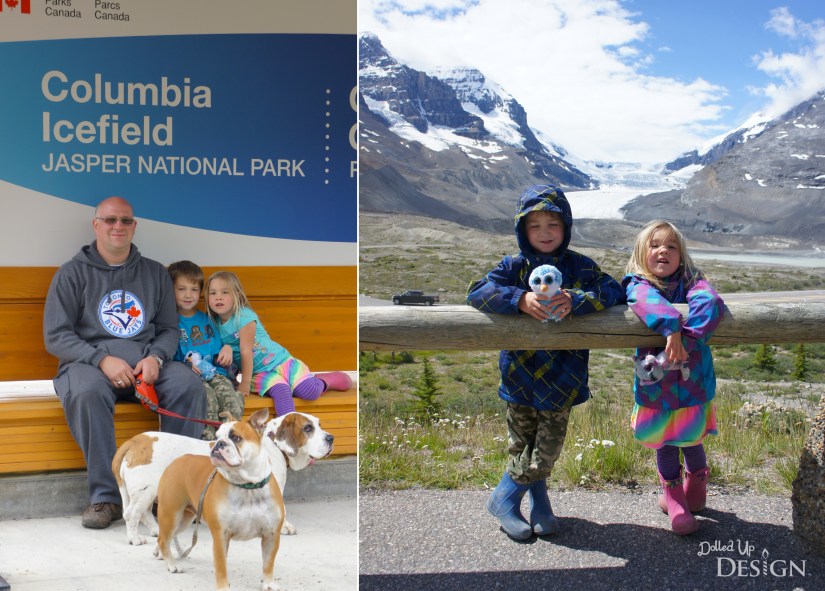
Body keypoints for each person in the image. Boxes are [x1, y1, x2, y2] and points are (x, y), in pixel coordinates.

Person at [466, 185, 624, 540]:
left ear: (565, 226)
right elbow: (476, 290)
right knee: (522, 445)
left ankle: (502, 499)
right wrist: (518, 299)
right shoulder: (514, 266)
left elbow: (614, 289)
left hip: (561, 380)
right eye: (535, 226)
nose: (544, 233)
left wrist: (578, 300)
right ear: (523, 229)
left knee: (545, 450)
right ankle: (540, 506)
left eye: (552, 224)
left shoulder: (580, 266)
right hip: (518, 378)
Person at [43, 197, 206, 529]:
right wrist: (100, 359)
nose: (118, 226)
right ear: (96, 225)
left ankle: (174, 494)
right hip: (88, 367)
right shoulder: (71, 274)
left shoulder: (154, 274)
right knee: (86, 393)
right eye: (110, 220)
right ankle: (106, 498)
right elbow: (57, 336)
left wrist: (156, 357)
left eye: (126, 221)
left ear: (135, 226)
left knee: (188, 385)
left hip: (145, 366)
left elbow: (168, 329)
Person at [623, 220, 724, 535]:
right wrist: (671, 329)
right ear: (642, 253)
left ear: (681, 254)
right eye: (654, 246)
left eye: (671, 246)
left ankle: (697, 486)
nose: (663, 251)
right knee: (666, 442)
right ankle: (674, 497)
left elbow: (710, 303)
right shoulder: (637, 282)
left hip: (692, 383)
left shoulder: (693, 280)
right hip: (658, 387)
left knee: (692, 438)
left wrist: (686, 339)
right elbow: (646, 302)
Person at [205, 270, 352, 417]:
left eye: (225, 292)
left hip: (281, 361)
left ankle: (325, 381)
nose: (218, 297)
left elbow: (245, 350)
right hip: (259, 373)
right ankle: (288, 434)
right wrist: (227, 348)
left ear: (237, 295)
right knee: (281, 391)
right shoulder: (212, 324)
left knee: (308, 391)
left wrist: (244, 382)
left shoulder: (244, 316)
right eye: (213, 293)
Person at [168, 260, 245, 440]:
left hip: (215, 373)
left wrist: (226, 348)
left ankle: (231, 440)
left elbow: (219, 349)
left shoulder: (207, 319)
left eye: (194, 289)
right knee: (207, 399)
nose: (188, 295)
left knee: (230, 398)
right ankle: (207, 444)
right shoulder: (169, 322)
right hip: (192, 377)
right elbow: (167, 358)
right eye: (181, 289)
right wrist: (184, 365)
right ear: (170, 290)